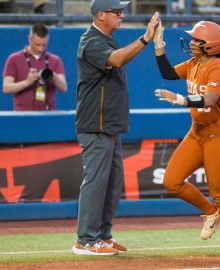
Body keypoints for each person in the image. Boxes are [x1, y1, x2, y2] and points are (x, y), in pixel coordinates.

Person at [152, 20, 220, 260]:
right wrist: (158, 45)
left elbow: (209, 99)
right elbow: (167, 73)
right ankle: (210, 212)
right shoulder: (195, 62)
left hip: (219, 136)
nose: (192, 43)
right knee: (171, 181)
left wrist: (182, 100)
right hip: (197, 133)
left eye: (197, 40)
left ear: (209, 45)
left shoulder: (218, 67)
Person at [71, 0, 160, 256]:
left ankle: (102, 236)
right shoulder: (91, 41)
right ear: (100, 15)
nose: (121, 14)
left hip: (109, 126)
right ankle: (85, 240)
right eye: (116, 11)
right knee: (96, 182)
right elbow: (118, 60)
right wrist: (145, 39)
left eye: (122, 10)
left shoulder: (107, 39)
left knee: (111, 184)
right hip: (95, 126)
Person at [2, 23, 67, 111]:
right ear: (29, 39)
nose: (41, 49)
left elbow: (64, 88)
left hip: (48, 114)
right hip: (22, 115)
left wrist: (53, 76)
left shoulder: (55, 60)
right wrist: (27, 82)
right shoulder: (14, 59)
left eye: (44, 45)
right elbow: (6, 88)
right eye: (37, 44)